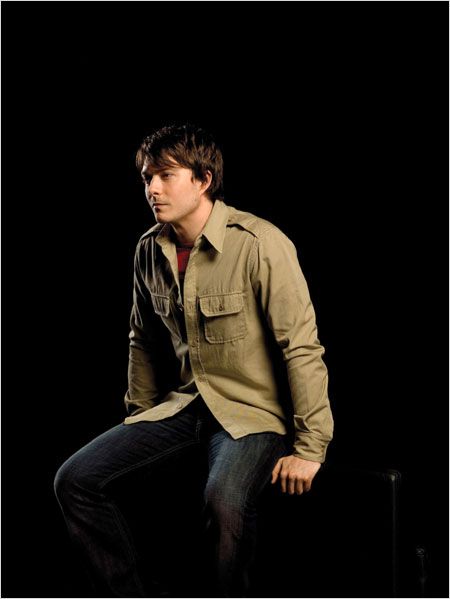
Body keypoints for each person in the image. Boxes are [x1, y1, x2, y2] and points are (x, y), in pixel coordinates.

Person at [54, 123, 334, 598]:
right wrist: (139, 420)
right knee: (74, 480)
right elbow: (142, 342)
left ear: (203, 180)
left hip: (252, 415)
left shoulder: (259, 243)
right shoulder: (149, 249)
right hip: (184, 407)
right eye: (147, 177)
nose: (152, 188)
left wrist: (310, 448)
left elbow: (301, 347)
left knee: (223, 500)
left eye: (165, 175)